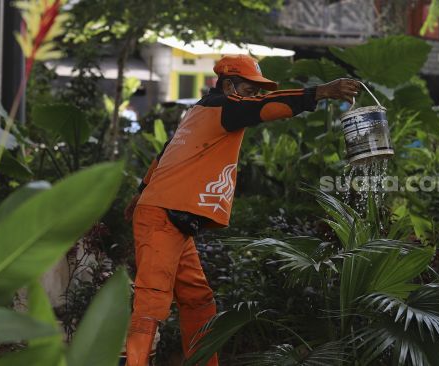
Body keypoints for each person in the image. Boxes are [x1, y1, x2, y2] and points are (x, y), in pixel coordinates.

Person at [123, 54, 360, 366]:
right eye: (250, 88)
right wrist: (319, 92)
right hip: (163, 215)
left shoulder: (201, 112)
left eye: (256, 90)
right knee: (152, 301)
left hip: (172, 217)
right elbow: (264, 108)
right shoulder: (223, 106)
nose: (254, 95)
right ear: (229, 84)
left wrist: (140, 193)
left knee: (198, 300)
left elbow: (166, 153)